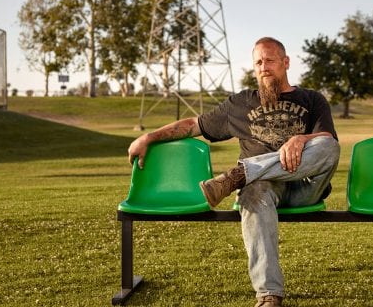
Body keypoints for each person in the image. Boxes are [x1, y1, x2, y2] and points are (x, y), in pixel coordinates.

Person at [128, 37, 340, 307]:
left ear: (285, 63)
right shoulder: (241, 103)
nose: (264, 67)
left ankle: (239, 174)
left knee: (329, 146)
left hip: (304, 187)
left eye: (270, 60)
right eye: (258, 62)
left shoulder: (312, 99)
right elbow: (194, 125)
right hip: (262, 188)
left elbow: (326, 143)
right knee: (254, 193)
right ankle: (268, 296)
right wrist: (149, 136)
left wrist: (301, 139)